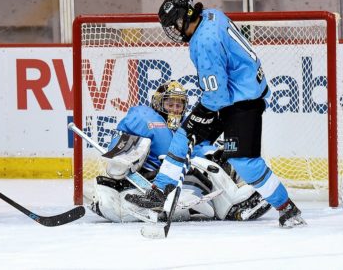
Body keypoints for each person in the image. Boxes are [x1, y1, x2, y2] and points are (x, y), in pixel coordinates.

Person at [124, 0, 306, 228]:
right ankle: (160, 191)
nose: (174, 31)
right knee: (183, 135)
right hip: (235, 90)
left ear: (184, 18)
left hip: (242, 101)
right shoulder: (211, 15)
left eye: (174, 24)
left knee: (244, 162)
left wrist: (202, 116)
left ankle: (287, 208)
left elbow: (216, 96)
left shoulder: (204, 42)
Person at [90, 81, 270, 222]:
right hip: (154, 179)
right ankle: (233, 207)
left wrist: (214, 153)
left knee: (223, 156)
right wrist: (122, 162)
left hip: (178, 180)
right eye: (170, 104)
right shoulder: (145, 116)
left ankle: (249, 187)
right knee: (206, 168)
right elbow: (123, 141)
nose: (175, 109)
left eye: (179, 105)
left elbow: (197, 149)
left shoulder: (184, 129)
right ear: (158, 103)